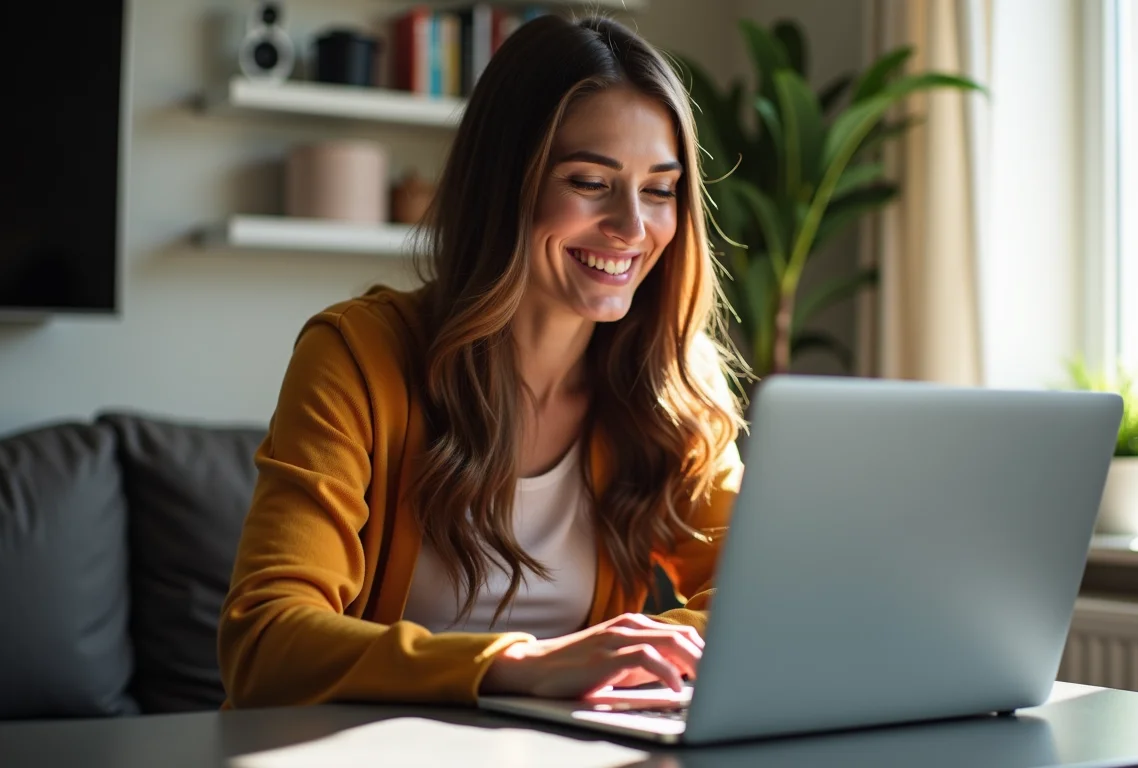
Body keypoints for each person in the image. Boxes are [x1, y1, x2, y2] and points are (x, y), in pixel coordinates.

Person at [217, 14, 746, 709]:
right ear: (506, 185)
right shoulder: (358, 356)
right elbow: (264, 640)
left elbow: (758, 605)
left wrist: (635, 651)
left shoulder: (672, 383)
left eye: (659, 189)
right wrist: (519, 664)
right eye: (590, 181)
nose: (632, 227)